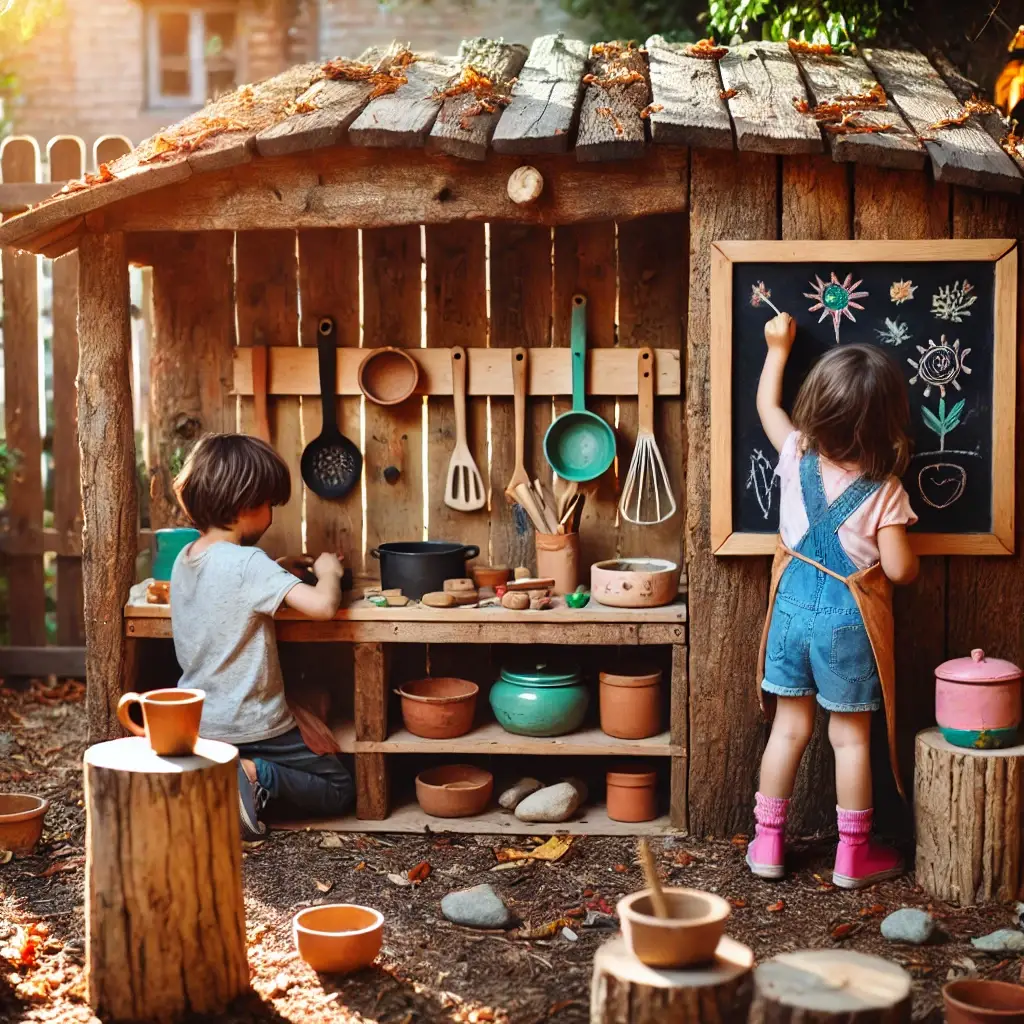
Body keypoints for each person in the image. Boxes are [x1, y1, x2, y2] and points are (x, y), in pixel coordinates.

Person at [748, 312, 919, 889]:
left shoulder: (796, 454)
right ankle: (853, 855)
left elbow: (767, 408)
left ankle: (768, 842)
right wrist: (909, 556)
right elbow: (897, 569)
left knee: (788, 730)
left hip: (791, 607)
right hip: (848, 620)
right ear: (888, 422)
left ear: (816, 408)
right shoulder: (886, 490)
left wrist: (777, 348)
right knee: (849, 738)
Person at [170, 433, 353, 841]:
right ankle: (252, 773)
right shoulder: (249, 563)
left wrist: (278, 567)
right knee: (342, 788)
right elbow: (323, 607)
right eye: (269, 503)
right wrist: (329, 573)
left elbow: (232, 585)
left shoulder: (186, 559)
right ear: (244, 504)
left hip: (202, 724)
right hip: (254, 724)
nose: (272, 512)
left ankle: (221, 777)